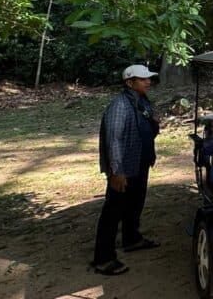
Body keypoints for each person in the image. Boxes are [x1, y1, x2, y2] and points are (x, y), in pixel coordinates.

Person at [91, 64, 162, 276]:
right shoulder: (119, 106)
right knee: (113, 211)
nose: (148, 82)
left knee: (135, 203)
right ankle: (103, 258)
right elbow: (113, 140)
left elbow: (147, 129)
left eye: (149, 78)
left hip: (139, 164)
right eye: (143, 79)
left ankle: (132, 239)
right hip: (123, 168)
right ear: (130, 83)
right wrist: (116, 172)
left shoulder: (141, 102)